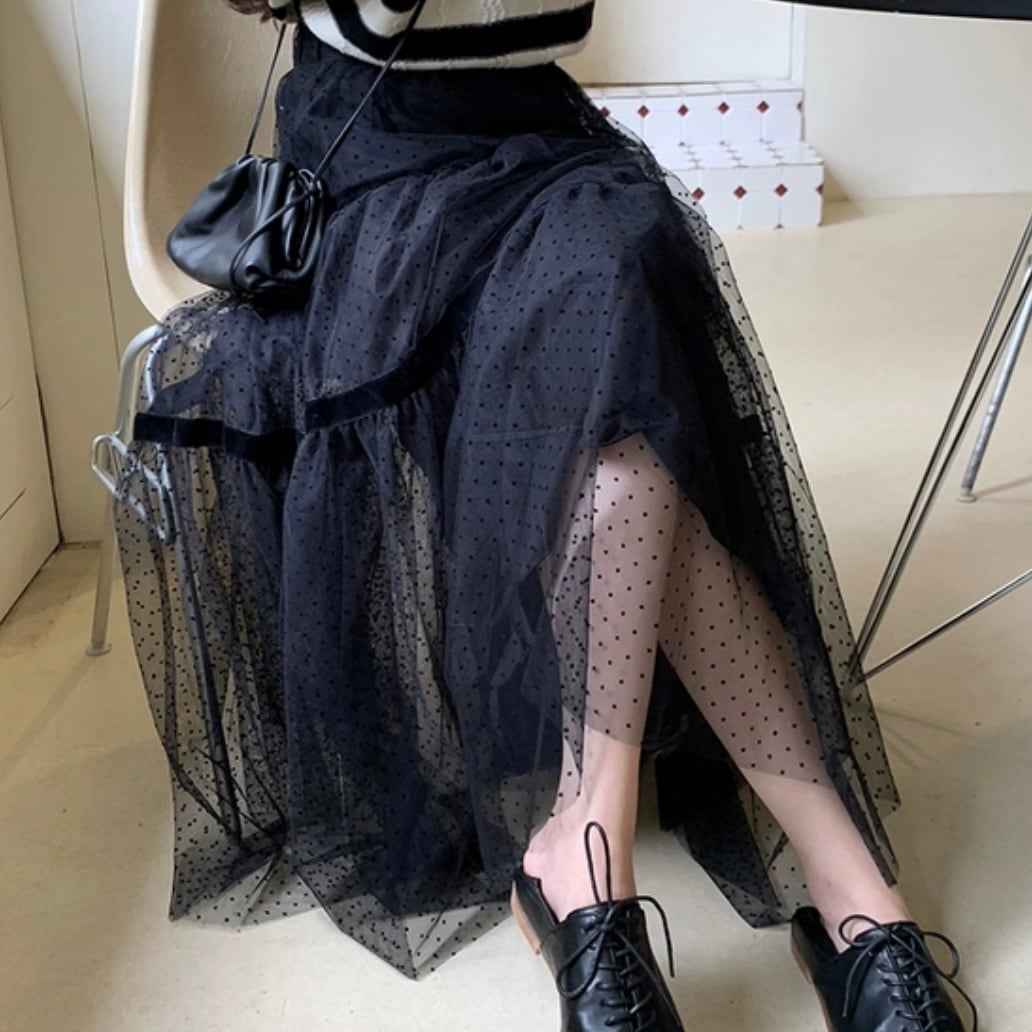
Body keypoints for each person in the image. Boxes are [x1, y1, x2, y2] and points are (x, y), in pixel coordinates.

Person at [112, 2, 978, 1030]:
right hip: (378, 158)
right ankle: (850, 902)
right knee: (620, 396)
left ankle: (588, 858)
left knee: (619, 299)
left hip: (536, 140)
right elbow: (372, 22)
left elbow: (558, 16)